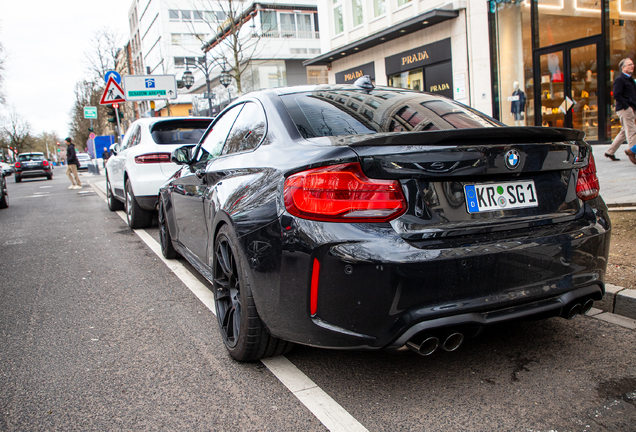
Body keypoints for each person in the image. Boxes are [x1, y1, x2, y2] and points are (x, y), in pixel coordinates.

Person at [606, 58, 636, 162]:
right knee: (632, 131)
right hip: (625, 109)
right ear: (623, 68)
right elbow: (617, 95)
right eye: (629, 65)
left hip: (630, 108)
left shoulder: (630, 79)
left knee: (624, 131)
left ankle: (610, 151)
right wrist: (627, 107)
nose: (632, 66)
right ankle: (633, 153)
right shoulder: (620, 79)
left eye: (632, 64)